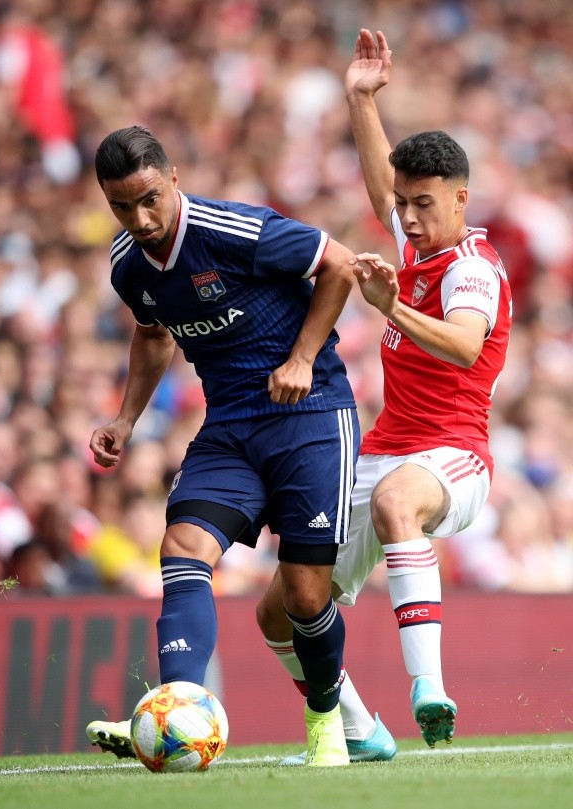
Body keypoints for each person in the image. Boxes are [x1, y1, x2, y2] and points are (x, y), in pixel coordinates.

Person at [84, 124, 394, 766]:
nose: (139, 219)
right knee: (182, 548)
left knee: (306, 597)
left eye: (148, 199)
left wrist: (304, 356)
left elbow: (338, 262)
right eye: (120, 206)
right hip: (229, 426)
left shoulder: (234, 230)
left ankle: (330, 724)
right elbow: (152, 336)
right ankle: (177, 707)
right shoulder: (126, 264)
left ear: (173, 180)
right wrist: (126, 419)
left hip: (310, 415)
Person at [257, 27, 512, 752]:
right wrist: (361, 99)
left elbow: (464, 346)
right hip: (383, 452)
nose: (407, 218)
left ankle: (428, 687)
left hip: (454, 456)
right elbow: (378, 184)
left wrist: (391, 309)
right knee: (282, 609)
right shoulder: (416, 240)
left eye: (424, 204)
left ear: (461, 199)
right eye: (405, 205)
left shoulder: (470, 266)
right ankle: (362, 729)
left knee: (402, 500)